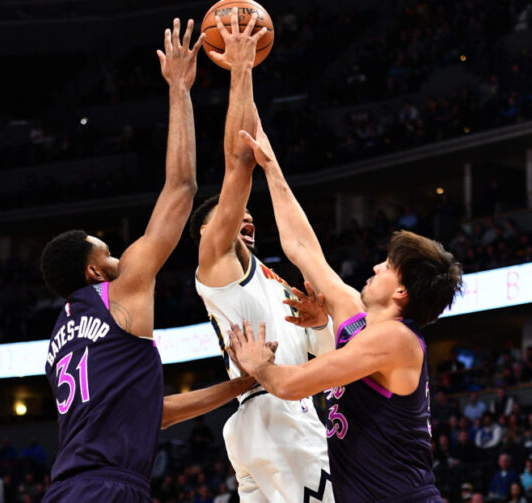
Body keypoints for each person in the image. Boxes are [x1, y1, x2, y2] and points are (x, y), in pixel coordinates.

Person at [39, 20, 257, 503]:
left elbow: (153, 413)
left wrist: (240, 385)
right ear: (95, 272)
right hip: (107, 488)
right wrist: (180, 88)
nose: (122, 257)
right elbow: (181, 188)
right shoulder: (119, 291)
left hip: (69, 489)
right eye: (109, 253)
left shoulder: (58, 340)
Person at [228, 117, 463, 501]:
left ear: (401, 290)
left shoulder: (396, 339)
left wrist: (259, 366)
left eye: (387, 266)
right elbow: (303, 249)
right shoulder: (357, 319)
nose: (375, 267)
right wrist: (271, 167)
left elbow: (291, 385)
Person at [189, 8, 335, 502]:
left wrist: (317, 324)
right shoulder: (215, 260)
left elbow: (325, 359)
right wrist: (242, 70)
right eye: (236, 217)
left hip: (266, 418)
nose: (248, 220)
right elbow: (239, 160)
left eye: (252, 219)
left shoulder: (271, 280)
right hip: (277, 415)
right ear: (210, 231)